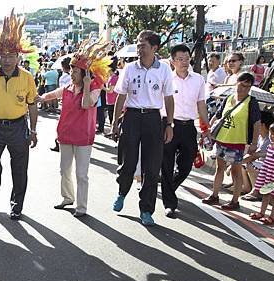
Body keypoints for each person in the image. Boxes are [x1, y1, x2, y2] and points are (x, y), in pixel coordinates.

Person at [0, 9, 39, 221]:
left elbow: (32, 106)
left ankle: (16, 205)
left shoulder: (28, 77)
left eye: (11, 56)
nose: (7, 59)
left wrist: (34, 131)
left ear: (18, 57)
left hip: (18, 128)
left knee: (19, 168)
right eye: (3, 56)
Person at [37, 40, 110, 217]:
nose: (72, 73)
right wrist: (39, 98)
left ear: (85, 73)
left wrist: (86, 85)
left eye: (75, 70)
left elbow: (86, 105)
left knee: (81, 174)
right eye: (71, 70)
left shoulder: (95, 89)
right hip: (65, 135)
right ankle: (67, 197)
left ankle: (81, 207)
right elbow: (52, 94)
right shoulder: (68, 87)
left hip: (83, 137)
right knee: (64, 170)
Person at [111, 30, 175, 226]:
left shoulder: (163, 69)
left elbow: (169, 98)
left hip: (154, 119)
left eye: (143, 45)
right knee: (128, 162)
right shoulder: (130, 68)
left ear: (154, 48)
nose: (139, 48)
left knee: (152, 166)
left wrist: (169, 124)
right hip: (131, 117)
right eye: (138, 44)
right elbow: (121, 96)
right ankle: (122, 192)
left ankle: (146, 210)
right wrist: (115, 123)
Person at [160, 44, 210, 218]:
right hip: (168, 125)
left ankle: (169, 188)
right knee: (166, 164)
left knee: (186, 165)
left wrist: (207, 126)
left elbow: (201, 104)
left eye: (187, 59)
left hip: (189, 126)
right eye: (180, 59)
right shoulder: (166, 79)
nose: (184, 62)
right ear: (173, 61)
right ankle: (169, 203)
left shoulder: (198, 80)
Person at [202, 72, 261, 210]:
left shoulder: (251, 102)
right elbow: (217, 116)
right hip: (222, 139)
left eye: (247, 86)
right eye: (241, 85)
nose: (243, 89)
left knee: (236, 171)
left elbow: (256, 124)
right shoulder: (228, 98)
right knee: (219, 168)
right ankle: (215, 195)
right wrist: (209, 130)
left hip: (237, 142)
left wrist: (253, 143)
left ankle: (235, 201)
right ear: (236, 83)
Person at [249, 123, 274, 226]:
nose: (271, 136)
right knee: (265, 194)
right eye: (270, 134)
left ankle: (272, 217)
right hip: (267, 174)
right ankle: (261, 213)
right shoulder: (270, 146)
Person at [241, 111, 274, 200]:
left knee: (249, 164)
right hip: (261, 163)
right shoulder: (260, 137)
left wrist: (236, 162)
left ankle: (256, 191)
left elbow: (254, 155)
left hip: (269, 168)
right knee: (243, 164)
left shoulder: (268, 139)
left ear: (262, 125)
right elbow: (252, 152)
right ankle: (246, 187)